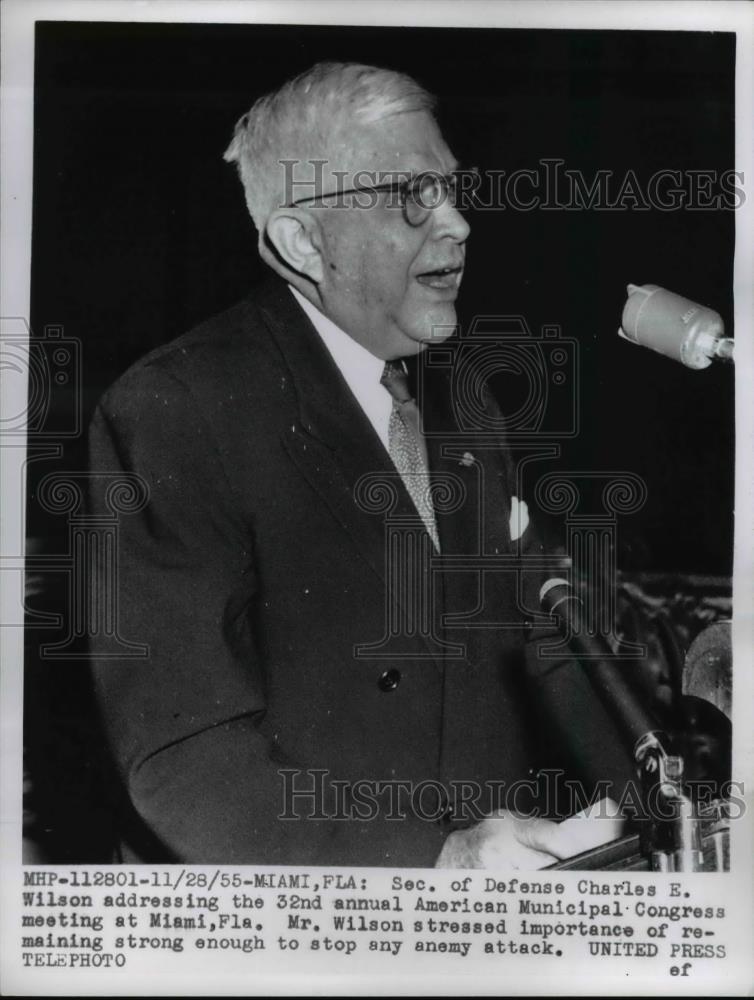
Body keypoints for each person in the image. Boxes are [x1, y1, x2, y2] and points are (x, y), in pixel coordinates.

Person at [87, 62, 632, 868]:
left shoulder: (465, 395)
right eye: (410, 196)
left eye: (451, 189)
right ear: (301, 241)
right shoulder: (176, 409)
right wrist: (431, 860)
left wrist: (666, 801)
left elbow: (544, 643)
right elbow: (181, 757)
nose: (457, 223)